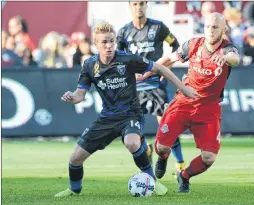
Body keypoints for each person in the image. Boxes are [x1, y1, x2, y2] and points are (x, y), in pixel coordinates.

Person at [54, 21, 199, 197]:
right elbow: (80, 94)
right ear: (96, 44)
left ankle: (151, 180)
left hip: (131, 114)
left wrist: (183, 88)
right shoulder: (89, 66)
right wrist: (72, 97)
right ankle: (73, 190)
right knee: (75, 158)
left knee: (131, 142)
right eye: (104, 42)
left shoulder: (127, 59)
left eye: (111, 41)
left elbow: (159, 68)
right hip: (107, 118)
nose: (108, 46)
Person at [153, 12, 240, 193]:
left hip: (209, 108)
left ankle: (184, 176)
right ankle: (163, 157)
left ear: (224, 29)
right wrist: (146, 72)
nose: (210, 30)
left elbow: (235, 58)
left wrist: (225, 58)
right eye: (208, 26)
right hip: (184, 101)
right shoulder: (193, 44)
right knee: (161, 147)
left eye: (215, 27)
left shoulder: (227, 49)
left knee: (208, 158)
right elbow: (169, 59)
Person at [116, 1, 186, 178]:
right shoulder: (124, 33)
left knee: (168, 126)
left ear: (146, 5)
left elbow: (176, 46)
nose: (138, 7)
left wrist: (165, 67)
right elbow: (118, 60)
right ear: (130, 6)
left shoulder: (158, 28)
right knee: (134, 130)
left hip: (156, 84)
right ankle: (146, 151)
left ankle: (180, 163)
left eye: (141, 3)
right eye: (135, 4)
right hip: (135, 88)